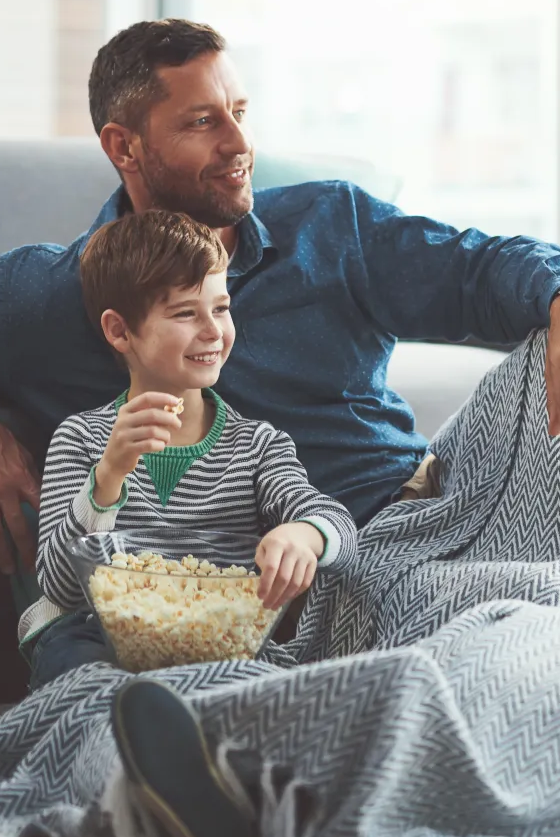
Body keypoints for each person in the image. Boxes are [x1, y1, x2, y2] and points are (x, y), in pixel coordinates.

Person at [0, 18, 560, 609]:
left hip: (432, 503)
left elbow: (481, 268)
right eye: (203, 122)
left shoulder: (331, 225)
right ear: (123, 148)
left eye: (238, 112)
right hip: (298, 580)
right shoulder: (53, 292)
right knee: (525, 620)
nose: (241, 145)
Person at [22, 207, 358, 689]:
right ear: (119, 331)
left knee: (281, 689)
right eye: (185, 313)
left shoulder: (257, 445)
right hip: (94, 636)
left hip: (218, 639)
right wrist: (108, 477)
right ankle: (124, 733)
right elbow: (59, 587)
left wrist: (306, 534)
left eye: (220, 308)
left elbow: (335, 522)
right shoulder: (83, 438)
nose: (212, 331)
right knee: (77, 675)